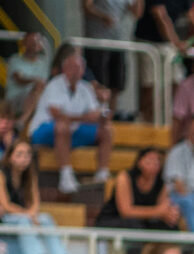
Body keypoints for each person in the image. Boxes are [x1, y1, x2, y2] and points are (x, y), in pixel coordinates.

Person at [28, 44, 113, 196]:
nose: (76, 71)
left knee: (106, 129)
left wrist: (103, 114)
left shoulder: (86, 88)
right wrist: (85, 118)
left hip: (72, 131)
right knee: (62, 126)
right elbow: (57, 115)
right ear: (64, 69)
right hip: (43, 131)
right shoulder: (54, 85)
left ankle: (102, 173)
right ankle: (66, 175)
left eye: (79, 68)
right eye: (72, 67)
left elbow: (95, 114)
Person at [0, 139, 73, 254]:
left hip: (23, 215)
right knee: (23, 221)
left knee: (45, 218)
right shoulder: (2, 174)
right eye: (19, 154)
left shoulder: (30, 175)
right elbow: (6, 205)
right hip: (6, 218)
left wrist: (32, 214)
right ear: (10, 157)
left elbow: (35, 202)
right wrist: (27, 215)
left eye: (27, 154)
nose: (24, 158)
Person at [96, 147, 180, 231]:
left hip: (144, 222)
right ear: (139, 162)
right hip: (116, 219)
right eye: (150, 160)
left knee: (170, 226)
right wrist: (157, 212)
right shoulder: (125, 177)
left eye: (157, 160)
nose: (154, 163)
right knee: (133, 224)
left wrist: (170, 214)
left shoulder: (162, 182)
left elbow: (163, 208)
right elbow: (125, 212)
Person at [83, 0, 143, 119]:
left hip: (118, 42)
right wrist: (103, 16)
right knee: (98, 82)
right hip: (97, 41)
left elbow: (137, 13)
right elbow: (86, 7)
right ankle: (98, 116)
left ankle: (110, 118)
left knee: (116, 84)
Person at [6, 33, 50, 127]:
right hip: (16, 99)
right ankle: (22, 122)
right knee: (38, 88)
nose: (33, 44)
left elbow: (43, 84)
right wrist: (34, 80)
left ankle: (21, 121)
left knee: (40, 91)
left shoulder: (43, 63)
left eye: (36, 41)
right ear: (24, 44)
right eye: (30, 41)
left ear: (40, 45)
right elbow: (19, 79)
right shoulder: (15, 59)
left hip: (35, 98)